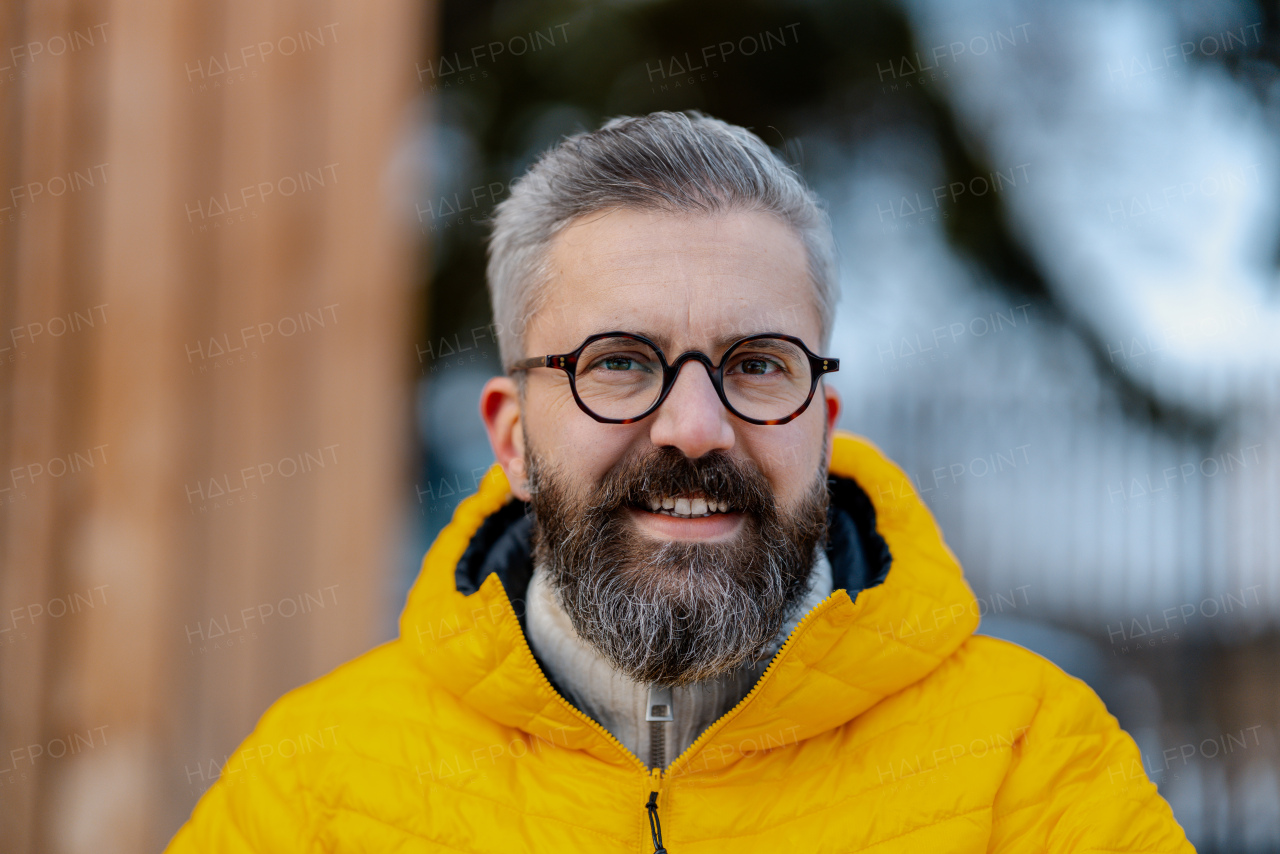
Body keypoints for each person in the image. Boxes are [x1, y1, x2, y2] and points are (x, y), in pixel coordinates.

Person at [166, 110, 1192, 852]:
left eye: (755, 364)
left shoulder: (1029, 761)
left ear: (820, 427)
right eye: (617, 360)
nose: (695, 428)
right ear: (512, 438)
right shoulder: (315, 779)